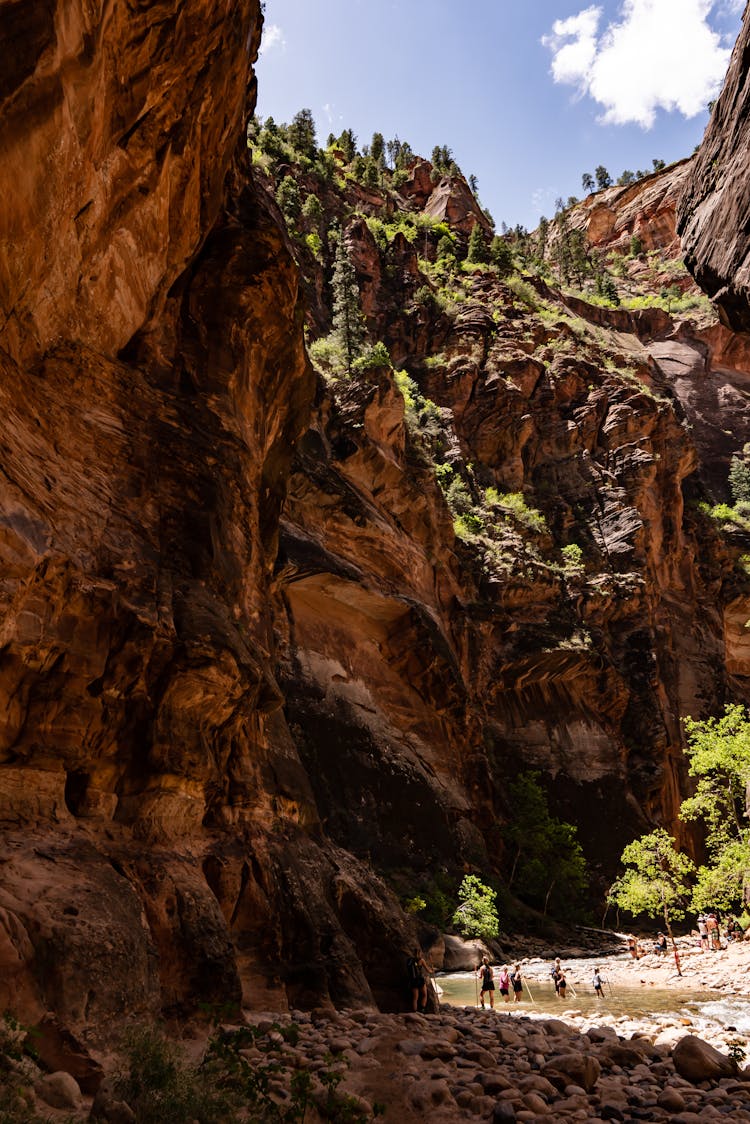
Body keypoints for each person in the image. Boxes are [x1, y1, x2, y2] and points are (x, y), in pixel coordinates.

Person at [406, 947, 432, 1013]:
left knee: (415, 998)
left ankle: (415, 1011)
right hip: (420, 980)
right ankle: (422, 1010)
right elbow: (428, 970)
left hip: (412, 980)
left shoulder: (409, 960)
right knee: (424, 995)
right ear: (420, 953)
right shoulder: (421, 960)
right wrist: (432, 970)